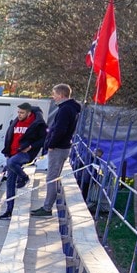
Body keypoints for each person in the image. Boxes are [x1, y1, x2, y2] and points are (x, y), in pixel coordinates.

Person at [31, 83, 82, 217]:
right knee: (53, 177)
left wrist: (51, 144)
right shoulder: (70, 108)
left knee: (51, 178)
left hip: (59, 148)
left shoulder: (65, 109)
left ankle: (47, 208)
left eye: (54, 94)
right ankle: (47, 205)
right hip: (62, 146)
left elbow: (60, 129)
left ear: (61, 95)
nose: (53, 97)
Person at [0, 101, 47, 219]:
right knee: (9, 184)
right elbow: (9, 136)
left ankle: (24, 177)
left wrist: (31, 146)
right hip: (12, 153)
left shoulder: (38, 123)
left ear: (29, 113)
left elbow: (44, 139)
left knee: (11, 163)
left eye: (22, 113)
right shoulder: (15, 122)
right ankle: (9, 211)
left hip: (25, 153)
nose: (19, 115)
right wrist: (7, 151)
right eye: (18, 112)